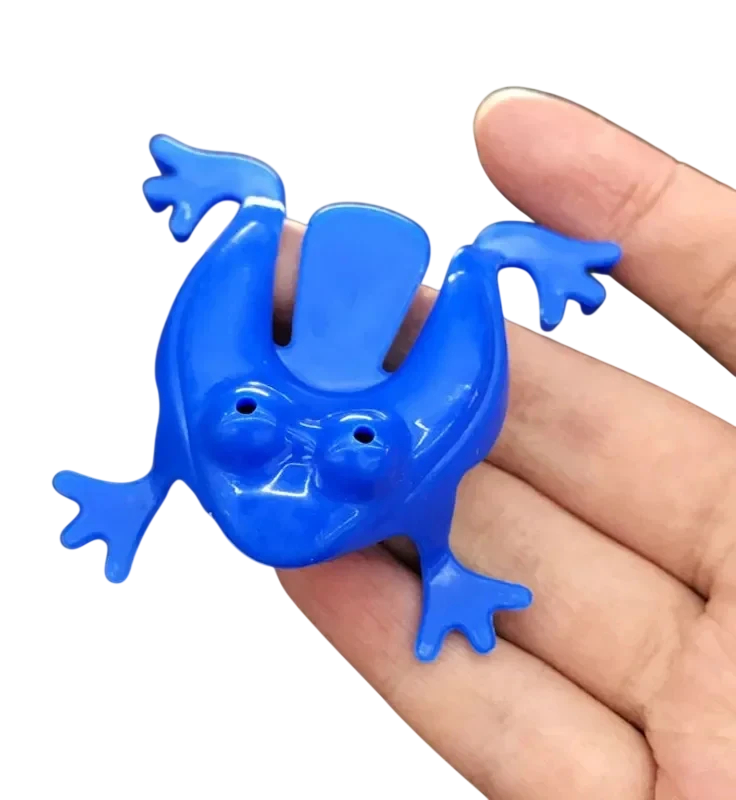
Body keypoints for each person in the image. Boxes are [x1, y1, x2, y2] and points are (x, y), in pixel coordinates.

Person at [273, 89, 736, 800]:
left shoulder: (425, 459)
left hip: (415, 432)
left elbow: (433, 529)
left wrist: (448, 578)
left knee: (416, 462)